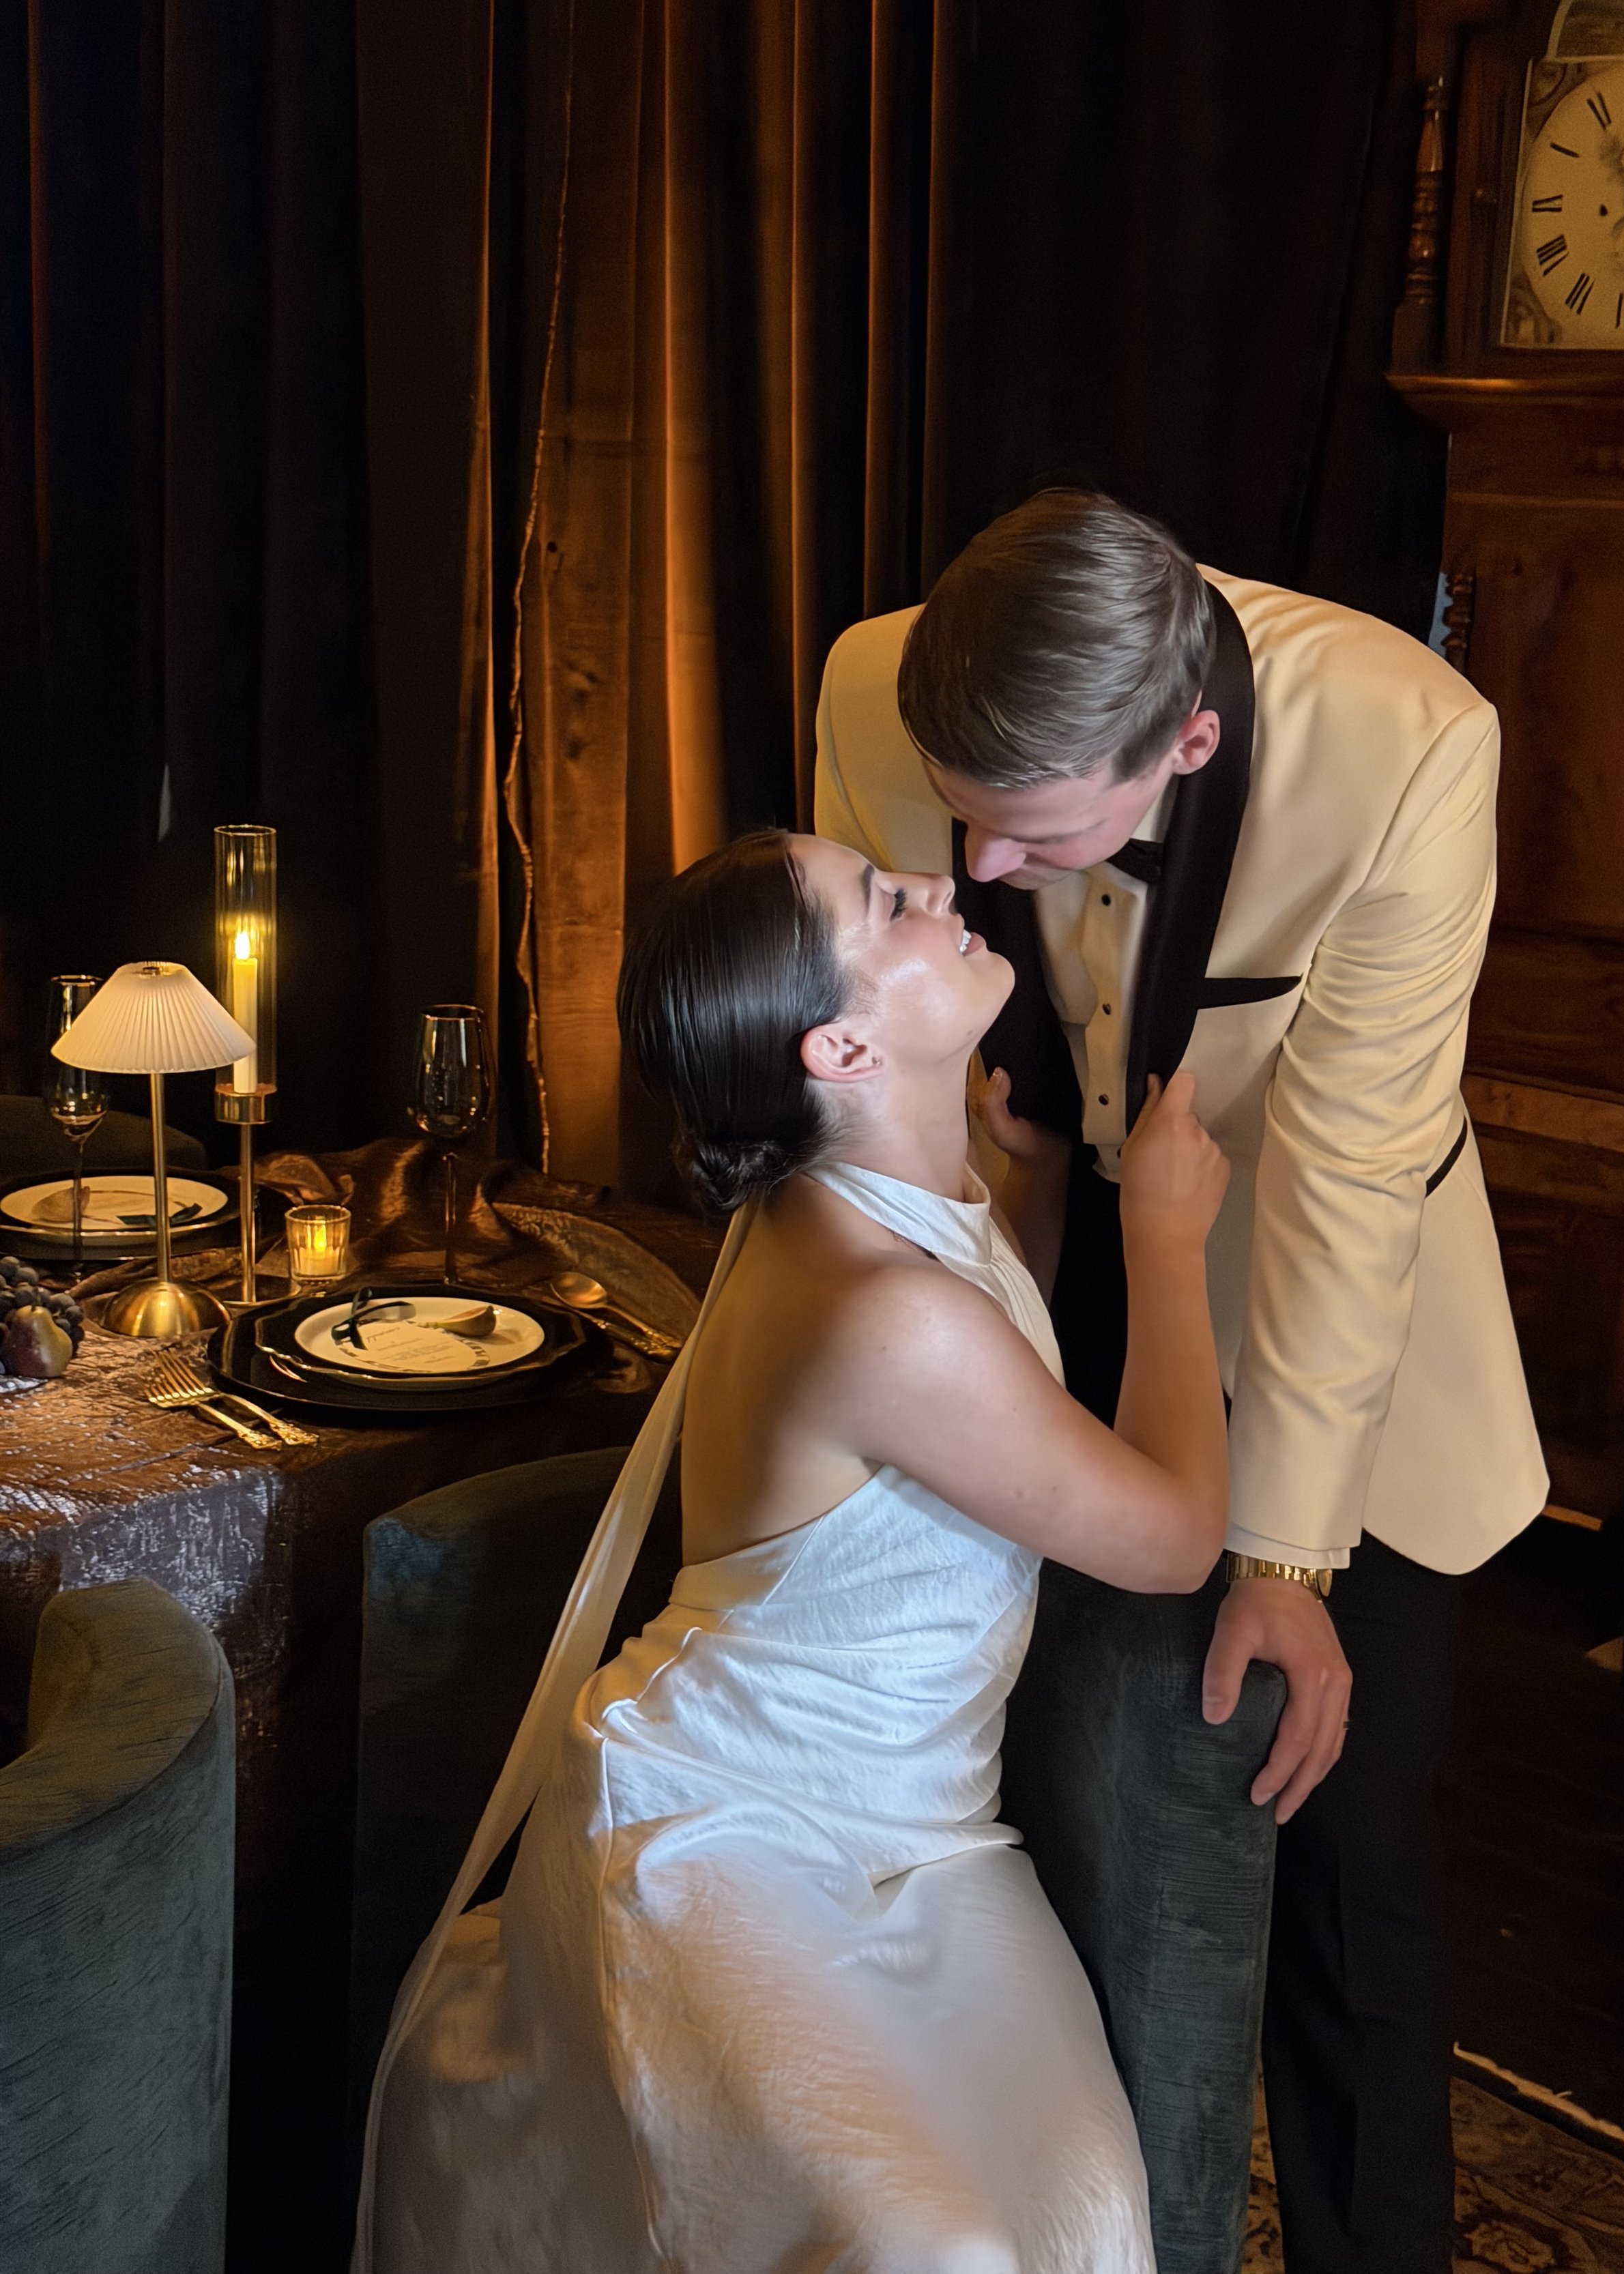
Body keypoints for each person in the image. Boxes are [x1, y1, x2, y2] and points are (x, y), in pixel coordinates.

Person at [813, 490, 1550, 2274]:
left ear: (1189, 741)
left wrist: (1287, 1559)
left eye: (1031, 822)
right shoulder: (868, 687)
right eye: (958, 807)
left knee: (1343, 1887)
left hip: (1346, 1356)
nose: (980, 862)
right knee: (1058, 1831)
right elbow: (879, 1040)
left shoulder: (1409, 745)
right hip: (1043, 1304)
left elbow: (1353, 1175)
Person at [355, 828, 1234, 2274]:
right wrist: (1166, 1243)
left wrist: (1030, 1191)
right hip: (720, 1828)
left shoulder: (829, 1200)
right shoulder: (880, 1304)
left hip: (918, 1841)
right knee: (929, 2244)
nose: (940, 888)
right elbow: (1174, 1539)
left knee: (1075, 2212)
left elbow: (953, 1335)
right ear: (835, 1045)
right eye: (888, 902)